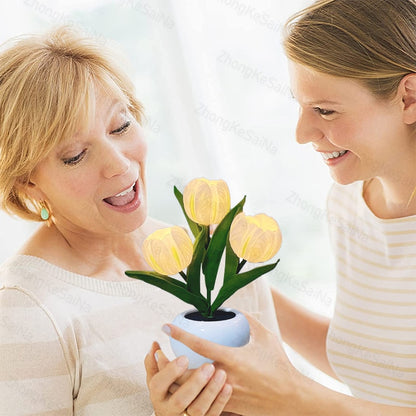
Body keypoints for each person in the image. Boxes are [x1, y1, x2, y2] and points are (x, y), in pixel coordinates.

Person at [0, 26, 280, 416]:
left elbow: (286, 395)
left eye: (121, 126)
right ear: (27, 182)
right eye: (75, 155)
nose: (118, 164)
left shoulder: (219, 258)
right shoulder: (25, 311)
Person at [155, 0, 416, 414]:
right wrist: (235, 281)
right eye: (301, 106)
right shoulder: (349, 203)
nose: (301, 132)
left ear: (408, 97)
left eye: (325, 110)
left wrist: (290, 394)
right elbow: (377, 364)